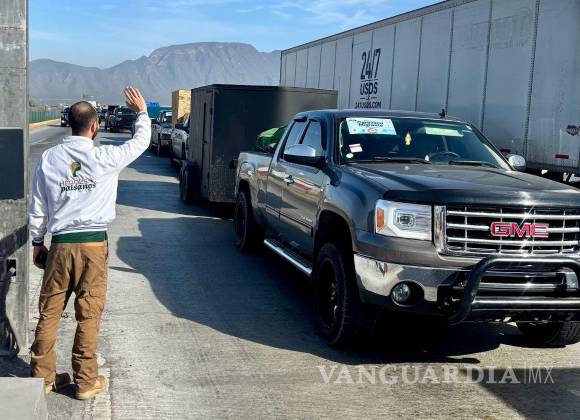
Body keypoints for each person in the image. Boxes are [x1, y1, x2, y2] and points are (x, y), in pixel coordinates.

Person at [28, 87, 151, 400]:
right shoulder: (104, 157)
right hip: (94, 246)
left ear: (69, 123)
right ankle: (85, 382)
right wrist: (141, 113)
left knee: (49, 312)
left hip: (60, 246)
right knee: (88, 314)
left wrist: (38, 242)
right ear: (95, 126)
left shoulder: (49, 158)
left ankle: (42, 377)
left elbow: (37, 206)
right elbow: (140, 142)